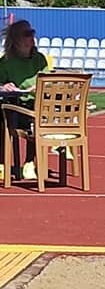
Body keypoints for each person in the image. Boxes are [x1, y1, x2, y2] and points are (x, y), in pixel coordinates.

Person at [0, 20, 48, 178]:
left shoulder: (39, 59)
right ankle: (2, 163)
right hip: (13, 106)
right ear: (16, 39)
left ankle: (29, 162)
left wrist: (40, 88)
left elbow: (48, 80)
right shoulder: (6, 62)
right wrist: (4, 86)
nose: (32, 36)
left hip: (37, 107)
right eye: (27, 34)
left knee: (35, 115)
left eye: (32, 32)